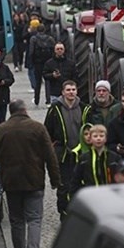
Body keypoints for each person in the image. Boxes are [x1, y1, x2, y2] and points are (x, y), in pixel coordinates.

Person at [0, 99, 60, 248]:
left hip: (11, 182)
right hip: (34, 180)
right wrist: (55, 180)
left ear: (11, 111)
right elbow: (50, 156)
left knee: (16, 220)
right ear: (25, 110)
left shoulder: (0, 130)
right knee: (34, 218)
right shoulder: (38, 128)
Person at [44, 80, 87, 220]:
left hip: (80, 154)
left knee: (80, 184)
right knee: (64, 185)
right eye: (68, 90)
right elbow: (47, 130)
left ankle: (78, 213)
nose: (71, 92)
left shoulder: (83, 108)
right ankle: (64, 212)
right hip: (63, 154)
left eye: (73, 89)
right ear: (62, 92)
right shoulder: (55, 108)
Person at [69, 124, 121, 196]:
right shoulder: (84, 159)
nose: (98, 138)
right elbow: (75, 180)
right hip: (91, 196)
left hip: (110, 196)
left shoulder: (114, 158)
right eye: (95, 136)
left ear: (106, 138)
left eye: (101, 136)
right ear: (90, 139)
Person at [29, 24, 56, 106]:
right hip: (48, 62)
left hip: (37, 63)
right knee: (48, 81)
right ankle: (48, 100)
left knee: (38, 81)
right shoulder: (50, 39)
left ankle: (36, 99)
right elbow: (53, 50)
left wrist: (30, 62)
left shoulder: (34, 39)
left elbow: (31, 51)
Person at [0, 50, 15, 124]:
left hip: (4, 95)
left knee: (2, 116)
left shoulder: (5, 68)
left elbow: (11, 79)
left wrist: (4, 82)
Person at [24, 18, 40, 92]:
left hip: (31, 57)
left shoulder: (31, 35)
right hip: (38, 57)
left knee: (31, 72)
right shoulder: (39, 35)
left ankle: (34, 86)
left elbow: (23, 37)